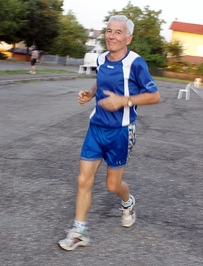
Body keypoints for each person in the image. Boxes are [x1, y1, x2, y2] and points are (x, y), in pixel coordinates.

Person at [58, 15, 161, 251]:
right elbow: (101, 80)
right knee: (83, 179)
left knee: (112, 186)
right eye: (109, 31)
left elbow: (155, 96)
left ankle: (128, 201)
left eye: (118, 32)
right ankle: (79, 231)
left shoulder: (136, 63)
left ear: (128, 37)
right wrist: (91, 93)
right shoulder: (101, 58)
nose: (112, 36)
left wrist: (124, 101)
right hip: (96, 127)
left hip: (121, 131)